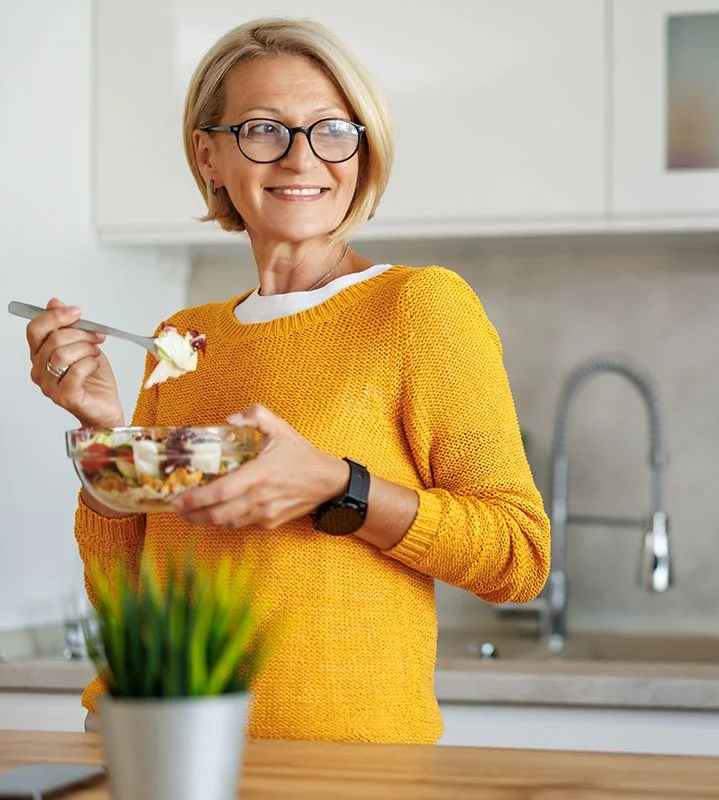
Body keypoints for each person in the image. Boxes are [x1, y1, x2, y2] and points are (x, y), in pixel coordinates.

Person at [23, 17, 550, 743]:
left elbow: (517, 557)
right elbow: (128, 594)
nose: (303, 159)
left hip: (340, 767)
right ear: (209, 155)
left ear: (363, 151)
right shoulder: (182, 339)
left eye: (332, 130)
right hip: (153, 743)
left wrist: (341, 487)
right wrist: (103, 435)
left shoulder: (418, 308)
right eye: (265, 130)